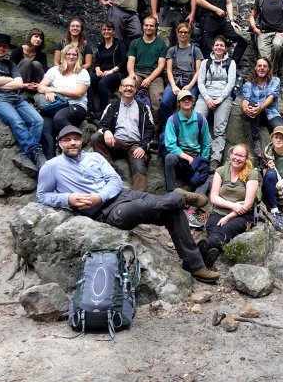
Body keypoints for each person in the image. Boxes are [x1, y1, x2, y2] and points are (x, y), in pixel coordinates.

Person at [37, 125, 219, 284]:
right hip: (107, 212)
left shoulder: (95, 158)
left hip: (122, 194)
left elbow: (115, 180)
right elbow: (42, 195)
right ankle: (176, 196)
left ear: (81, 141)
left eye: (76, 139)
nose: (73, 143)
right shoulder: (51, 167)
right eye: (67, 140)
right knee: (150, 205)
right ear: (59, 143)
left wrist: (100, 195)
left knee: (174, 211)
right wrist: (67, 198)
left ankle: (194, 265)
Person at [0, 33, 46, 171]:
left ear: (8, 49)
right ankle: (36, 153)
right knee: (17, 121)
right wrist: (8, 80)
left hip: (15, 98)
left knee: (38, 120)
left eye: (5, 47)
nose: (1, 48)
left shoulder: (10, 64)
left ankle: (25, 155)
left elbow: (19, 84)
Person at [197, 144, 260, 268]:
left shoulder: (251, 174)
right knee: (214, 229)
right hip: (219, 211)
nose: (237, 158)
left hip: (241, 215)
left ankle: (199, 250)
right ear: (230, 155)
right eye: (235, 154)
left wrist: (228, 217)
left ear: (246, 158)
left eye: (241, 156)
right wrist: (232, 205)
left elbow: (247, 205)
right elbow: (214, 198)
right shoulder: (220, 171)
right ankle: (209, 256)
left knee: (226, 229)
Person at [91, 77, 154, 191]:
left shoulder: (144, 108)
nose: (128, 88)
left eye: (132, 86)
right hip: (116, 142)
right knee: (96, 137)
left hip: (135, 145)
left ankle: (139, 200)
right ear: (120, 89)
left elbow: (150, 130)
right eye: (126, 86)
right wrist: (107, 131)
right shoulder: (112, 106)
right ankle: (109, 171)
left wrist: (143, 147)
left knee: (139, 167)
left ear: (136, 90)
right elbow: (101, 125)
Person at [163, 90, 211, 229]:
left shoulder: (201, 119)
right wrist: (188, 158)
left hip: (196, 157)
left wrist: (202, 161)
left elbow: (206, 143)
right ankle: (172, 195)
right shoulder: (173, 120)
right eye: (183, 99)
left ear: (193, 101)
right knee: (169, 158)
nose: (186, 101)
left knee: (207, 176)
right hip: (181, 156)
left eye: (189, 98)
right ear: (178, 102)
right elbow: (170, 145)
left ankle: (191, 210)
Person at [37, 46, 90, 159]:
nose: (71, 56)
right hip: (55, 106)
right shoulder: (55, 70)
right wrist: (47, 90)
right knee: (45, 127)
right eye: (68, 54)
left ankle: (75, 147)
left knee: (59, 118)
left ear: (78, 57)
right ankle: (51, 160)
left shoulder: (82, 72)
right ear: (63, 56)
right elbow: (40, 86)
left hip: (75, 105)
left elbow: (79, 93)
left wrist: (55, 90)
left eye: (74, 55)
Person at [195, 36, 236, 170]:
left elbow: (230, 84)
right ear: (213, 47)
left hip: (223, 98)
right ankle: (202, 152)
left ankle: (215, 158)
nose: (219, 47)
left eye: (221, 45)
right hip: (205, 96)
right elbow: (200, 82)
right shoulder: (205, 63)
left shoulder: (231, 63)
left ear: (225, 48)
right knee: (196, 122)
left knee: (219, 129)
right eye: (216, 45)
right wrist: (207, 98)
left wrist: (219, 99)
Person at [159, 22, 203, 126]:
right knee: (164, 102)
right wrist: (173, 86)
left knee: (189, 104)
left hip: (190, 82)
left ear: (189, 34)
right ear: (177, 33)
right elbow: (169, 70)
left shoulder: (196, 50)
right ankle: (169, 127)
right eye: (181, 32)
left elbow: (199, 71)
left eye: (185, 32)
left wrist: (190, 86)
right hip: (175, 81)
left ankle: (186, 129)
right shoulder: (172, 50)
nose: (183, 34)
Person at [127, 16, 168, 125]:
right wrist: (131, 74)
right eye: (146, 25)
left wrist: (149, 79)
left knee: (157, 101)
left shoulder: (161, 45)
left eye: (151, 25)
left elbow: (161, 66)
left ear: (155, 28)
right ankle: (130, 125)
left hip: (154, 75)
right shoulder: (135, 43)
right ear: (142, 26)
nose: (148, 28)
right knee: (127, 91)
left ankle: (153, 132)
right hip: (137, 73)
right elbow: (130, 61)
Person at [241, 57, 282, 161]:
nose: (262, 68)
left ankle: (278, 151)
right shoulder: (248, 84)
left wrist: (261, 107)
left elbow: (271, 97)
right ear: (255, 68)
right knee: (251, 104)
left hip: (271, 112)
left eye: (265, 66)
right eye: (259, 66)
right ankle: (256, 140)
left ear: (268, 69)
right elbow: (245, 99)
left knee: (281, 130)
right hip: (254, 113)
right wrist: (246, 109)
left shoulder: (275, 81)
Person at [89, 21, 125, 115]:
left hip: (117, 72)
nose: (106, 31)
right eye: (104, 29)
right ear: (101, 31)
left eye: (109, 29)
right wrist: (97, 69)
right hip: (103, 72)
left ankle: (102, 110)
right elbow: (96, 61)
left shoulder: (119, 44)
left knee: (103, 82)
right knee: (89, 78)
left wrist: (111, 71)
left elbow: (124, 61)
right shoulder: (100, 46)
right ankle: (90, 107)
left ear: (113, 31)